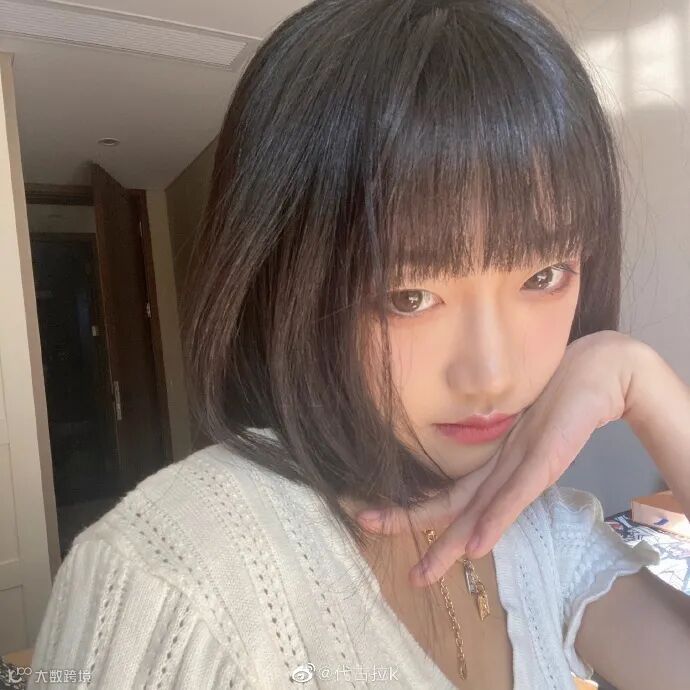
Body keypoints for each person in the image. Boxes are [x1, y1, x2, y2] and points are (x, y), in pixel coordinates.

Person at [29, 1, 690, 689]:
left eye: (544, 275)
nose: (492, 374)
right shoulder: (172, 580)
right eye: (409, 296)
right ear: (282, 284)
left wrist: (644, 384)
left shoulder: (544, 532)